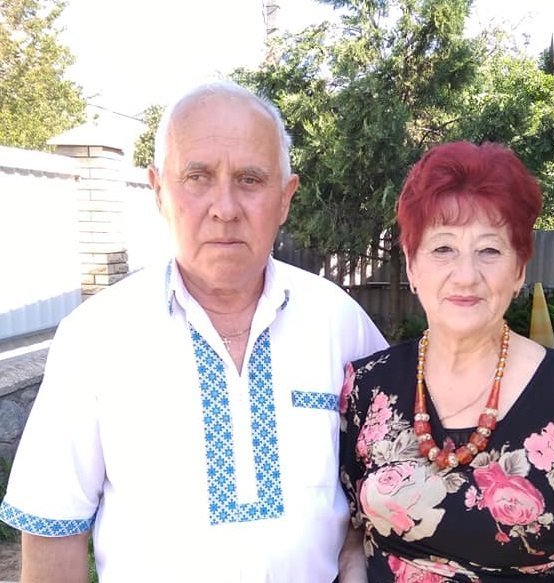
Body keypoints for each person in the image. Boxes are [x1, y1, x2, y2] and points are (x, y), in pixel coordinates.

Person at [0, 80, 387, 582]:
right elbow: (53, 534)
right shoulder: (94, 338)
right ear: (159, 190)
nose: (224, 207)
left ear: (285, 198)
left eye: (250, 179)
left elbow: (393, 476)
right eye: (198, 177)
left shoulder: (341, 322)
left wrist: (355, 547)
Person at [339, 141, 554, 582]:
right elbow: (351, 536)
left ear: (519, 269)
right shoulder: (368, 386)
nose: (466, 275)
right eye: (443, 249)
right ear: (412, 267)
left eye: (489, 250)